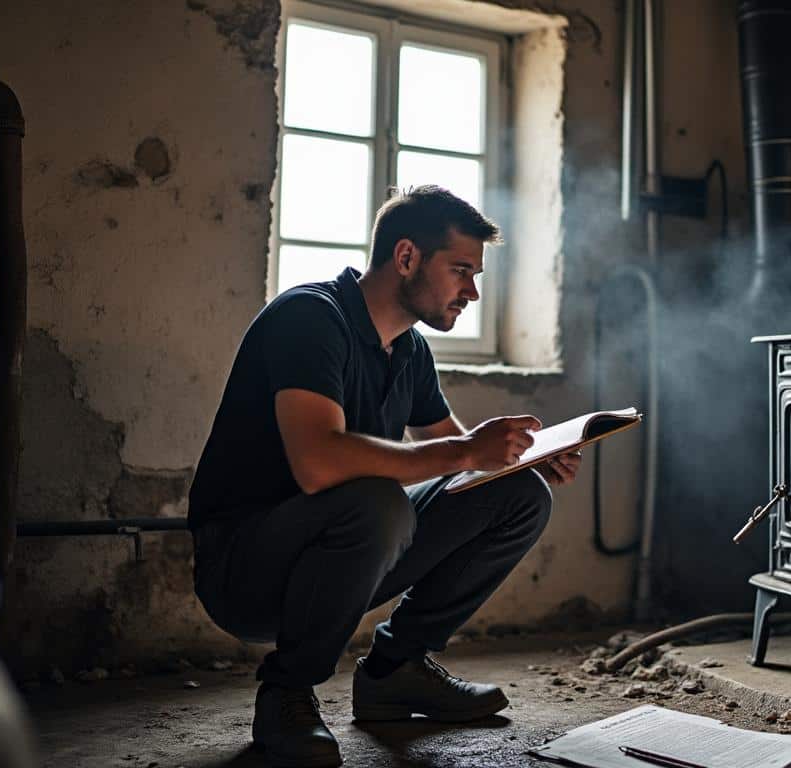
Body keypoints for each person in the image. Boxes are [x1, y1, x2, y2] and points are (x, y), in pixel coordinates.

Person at [187, 185, 581, 767]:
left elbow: (458, 459)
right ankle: (286, 693)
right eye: (461, 270)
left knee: (517, 494)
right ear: (406, 258)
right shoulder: (310, 317)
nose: (472, 291)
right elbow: (318, 463)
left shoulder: (408, 350)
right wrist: (467, 451)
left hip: (334, 553)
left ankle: (396, 669)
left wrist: (522, 458)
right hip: (245, 568)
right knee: (377, 501)